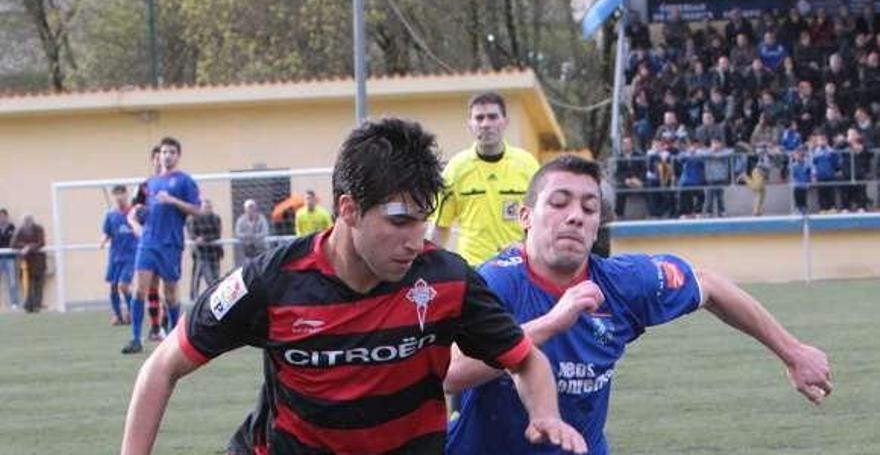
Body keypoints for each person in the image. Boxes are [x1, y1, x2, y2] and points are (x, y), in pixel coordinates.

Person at [120, 118, 586, 455]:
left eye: (423, 222)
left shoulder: (448, 279)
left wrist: (545, 413)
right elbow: (160, 369)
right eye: (399, 220)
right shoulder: (269, 282)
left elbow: (526, 360)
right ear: (348, 209)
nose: (415, 240)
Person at [444, 155, 832, 455]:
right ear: (526, 217)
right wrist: (552, 322)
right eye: (559, 203)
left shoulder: (623, 282)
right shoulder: (494, 281)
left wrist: (792, 352)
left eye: (589, 208)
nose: (575, 216)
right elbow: (450, 371)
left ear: (598, 226)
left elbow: (709, 285)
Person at [431, 92, 540, 266]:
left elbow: (542, 219)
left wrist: (526, 247)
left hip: (518, 265)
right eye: (479, 118)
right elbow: (441, 226)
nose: (486, 124)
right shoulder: (456, 169)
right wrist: (431, 268)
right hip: (473, 269)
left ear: (505, 122)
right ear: (470, 125)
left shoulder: (527, 165)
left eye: (492, 117)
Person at [122, 137, 201, 354]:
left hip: (171, 244)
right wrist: (140, 215)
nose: (167, 156)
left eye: (172, 152)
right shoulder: (151, 183)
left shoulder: (185, 181)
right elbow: (149, 211)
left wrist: (173, 201)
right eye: (164, 152)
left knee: (171, 294)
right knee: (139, 289)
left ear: (178, 156)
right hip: (148, 242)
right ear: (160, 155)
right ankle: (136, 338)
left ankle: (176, 339)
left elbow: (197, 209)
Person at [130, 146, 166, 340]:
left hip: (169, 243)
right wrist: (140, 231)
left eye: (165, 155)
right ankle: (151, 330)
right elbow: (133, 214)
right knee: (147, 286)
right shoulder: (145, 186)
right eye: (157, 157)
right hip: (149, 243)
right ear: (153, 160)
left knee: (169, 288)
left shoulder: (177, 184)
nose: (161, 160)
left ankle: (167, 327)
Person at [100, 185, 137, 325]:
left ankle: (131, 312)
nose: (119, 197)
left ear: (126, 195)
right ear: (113, 196)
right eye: (116, 194)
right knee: (113, 286)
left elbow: (141, 230)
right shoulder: (110, 215)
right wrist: (103, 240)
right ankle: (117, 314)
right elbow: (107, 232)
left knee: (124, 285)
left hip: (131, 256)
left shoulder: (133, 213)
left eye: (122, 193)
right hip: (115, 256)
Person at [187, 198, 223, 301]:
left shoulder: (216, 218)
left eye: (209, 207)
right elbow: (192, 234)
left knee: (215, 277)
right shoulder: (194, 218)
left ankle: (215, 297)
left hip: (214, 252)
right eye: (205, 207)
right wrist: (197, 239)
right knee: (199, 276)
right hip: (200, 253)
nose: (207, 209)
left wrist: (204, 239)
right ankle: (193, 298)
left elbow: (217, 235)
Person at [12, 214, 46, 313]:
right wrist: (26, 246)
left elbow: (41, 242)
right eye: (25, 221)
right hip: (25, 264)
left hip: (39, 262)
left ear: (32, 221)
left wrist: (28, 248)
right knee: (28, 285)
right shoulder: (20, 230)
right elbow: (13, 244)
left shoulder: (39, 229)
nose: (27, 223)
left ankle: (36, 306)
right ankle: (29, 306)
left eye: (28, 220)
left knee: (39, 285)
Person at [0, 208, 20, 310]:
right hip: (0, 257)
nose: (1, 218)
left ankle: (14, 302)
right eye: (0, 216)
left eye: (3, 216)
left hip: (9, 258)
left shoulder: (12, 227)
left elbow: (14, 240)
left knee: (12, 281)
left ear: (6, 216)